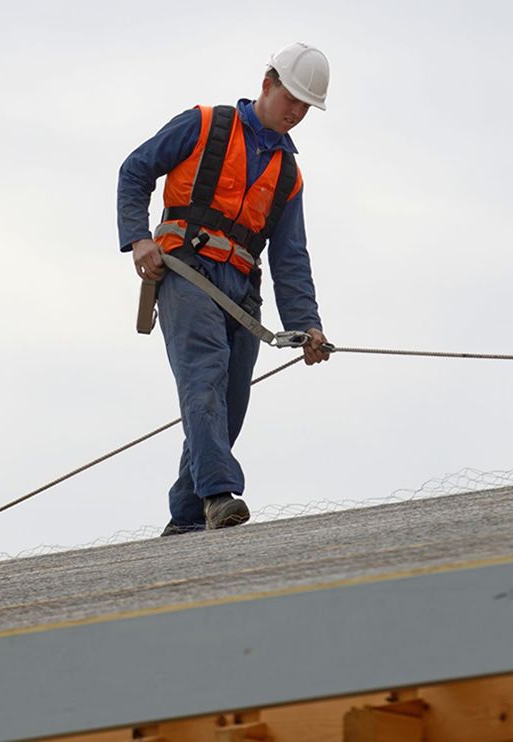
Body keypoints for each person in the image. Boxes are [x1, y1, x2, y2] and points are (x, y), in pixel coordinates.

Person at [116, 43, 333, 535]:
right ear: (267, 85)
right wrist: (138, 238)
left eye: (305, 106)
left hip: (241, 290)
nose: (296, 113)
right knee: (204, 377)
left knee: (230, 400)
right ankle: (219, 493)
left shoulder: (288, 175)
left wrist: (307, 326)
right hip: (186, 270)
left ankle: (188, 518)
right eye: (291, 99)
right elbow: (134, 170)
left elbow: (290, 258)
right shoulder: (204, 124)